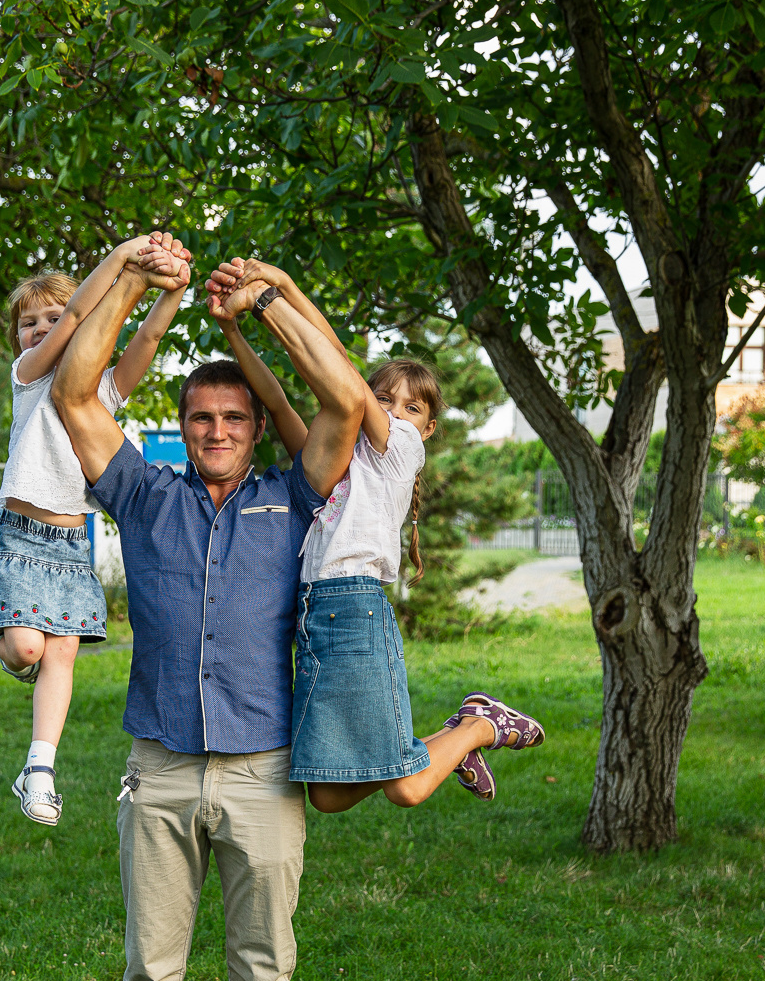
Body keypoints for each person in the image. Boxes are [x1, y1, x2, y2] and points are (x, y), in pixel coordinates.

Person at [48, 240, 367, 981]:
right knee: (152, 971)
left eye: (233, 417)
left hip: (265, 774)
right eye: (201, 417)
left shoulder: (289, 496)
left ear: (247, 427)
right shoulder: (144, 498)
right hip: (160, 768)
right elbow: (72, 394)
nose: (219, 429)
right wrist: (136, 279)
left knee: (263, 972)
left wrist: (264, 303)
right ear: (179, 428)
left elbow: (347, 404)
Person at [207, 258, 545, 811]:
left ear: (428, 427)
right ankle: (454, 740)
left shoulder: (401, 452)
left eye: (411, 407)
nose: (394, 410)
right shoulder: (339, 457)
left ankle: (478, 728)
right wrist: (235, 328)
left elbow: (339, 370)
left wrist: (272, 297)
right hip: (316, 617)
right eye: (385, 399)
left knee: (406, 788)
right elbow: (278, 400)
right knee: (327, 795)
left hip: (355, 610)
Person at [0, 235, 189, 825]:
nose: (38, 329)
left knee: (60, 652)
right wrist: (123, 258)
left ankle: (39, 768)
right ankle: (0, 637)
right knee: (26, 648)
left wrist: (172, 291)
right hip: (19, 538)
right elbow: (73, 318)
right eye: (27, 323)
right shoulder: (28, 377)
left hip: (70, 546)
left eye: (47, 317)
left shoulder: (99, 395)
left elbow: (145, 339)